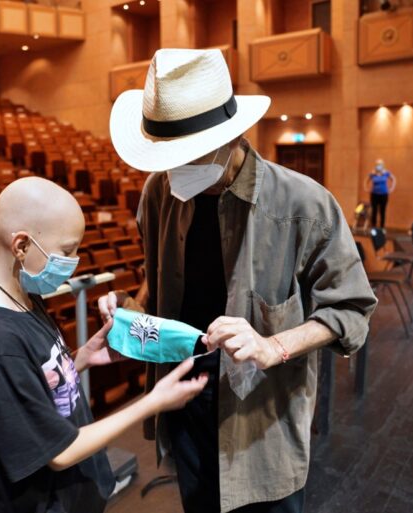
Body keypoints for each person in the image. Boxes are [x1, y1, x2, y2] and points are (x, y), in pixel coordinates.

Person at [101, 49, 378, 513]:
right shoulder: (158, 193)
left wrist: (274, 345)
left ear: (229, 137)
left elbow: (351, 309)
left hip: (262, 416)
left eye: (184, 155)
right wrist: (131, 309)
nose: (173, 169)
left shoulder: (303, 203)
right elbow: (158, 277)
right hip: (183, 397)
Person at [0, 176, 208, 513]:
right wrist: (153, 401)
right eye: (67, 251)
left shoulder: (26, 299)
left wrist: (80, 360)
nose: (74, 260)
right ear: (21, 246)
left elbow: (34, 385)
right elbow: (59, 453)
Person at [365, 158, 396, 228]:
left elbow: (393, 179)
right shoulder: (373, 174)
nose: (378, 166)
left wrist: (391, 188)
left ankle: (382, 227)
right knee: (374, 211)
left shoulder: (386, 173)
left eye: (380, 164)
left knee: (382, 211)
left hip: (383, 195)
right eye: (377, 164)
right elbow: (366, 181)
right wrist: (367, 188)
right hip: (374, 195)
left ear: (383, 165)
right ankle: (373, 227)